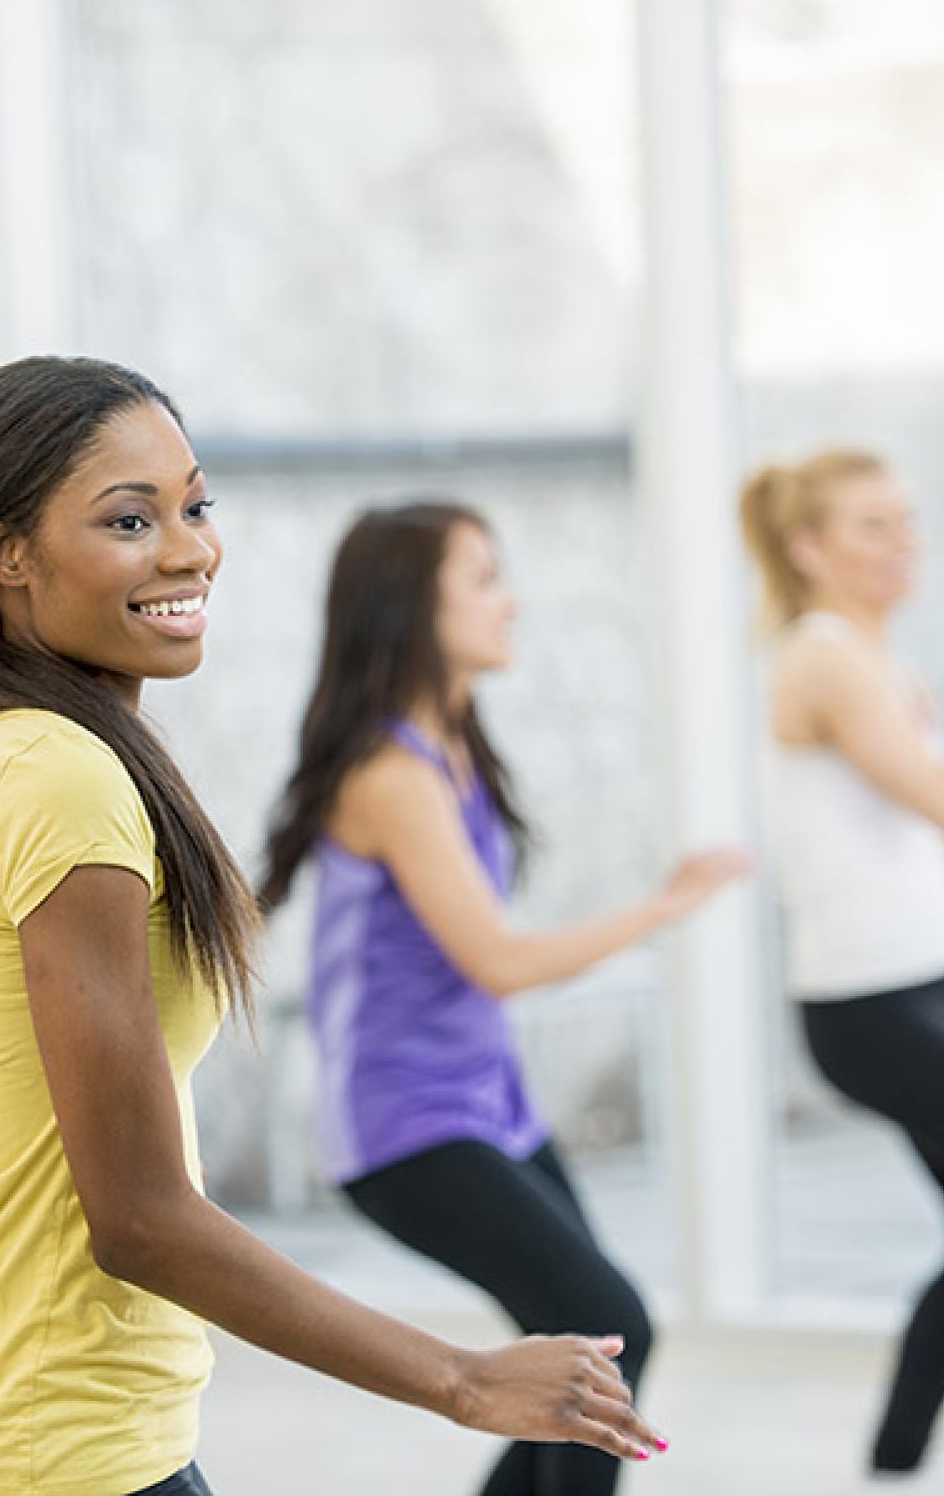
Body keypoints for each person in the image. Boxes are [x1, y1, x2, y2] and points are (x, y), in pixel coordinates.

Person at [0, 357, 669, 1496]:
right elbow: (140, 1217)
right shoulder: (61, 783)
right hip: (56, 1460)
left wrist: (31, 1091)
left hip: (28, 1445)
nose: (189, 550)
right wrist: (463, 1381)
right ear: (7, 554)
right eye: (130, 520)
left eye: (195, 506)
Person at [259, 500, 748, 1494]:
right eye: (483, 579)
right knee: (610, 1336)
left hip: (486, 1101)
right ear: (410, 609)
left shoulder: (455, 749)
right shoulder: (392, 776)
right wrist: (665, 905)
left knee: (580, 1352)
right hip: (405, 1124)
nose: (510, 601)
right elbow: (499, 960)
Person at [742, 449, 944, 1483]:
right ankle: (896, 1459)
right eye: (875, 525)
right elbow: (931, 796)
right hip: (869, 1004)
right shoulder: (823, 654)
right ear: (809, 548)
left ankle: (895, 1459)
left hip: (922, 985)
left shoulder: (883, 659)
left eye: (906, 520)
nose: (904, 542)